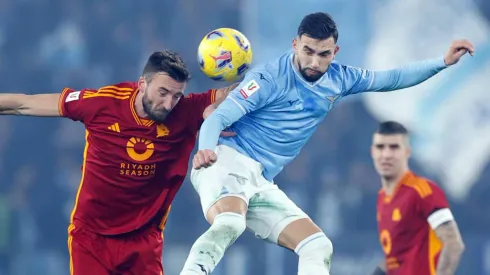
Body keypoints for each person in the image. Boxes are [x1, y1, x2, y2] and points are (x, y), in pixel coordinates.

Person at [180, 12, 474, 275]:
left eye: (323, 54)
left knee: (317, 246)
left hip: (260, 180)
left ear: (335, 52)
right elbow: (216, 120)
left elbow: (392, 78)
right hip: (226, 160)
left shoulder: (340, 78)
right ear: (295, 44)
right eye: (308, 51)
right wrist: (206, 149)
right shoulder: (267, 79)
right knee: (230, 223)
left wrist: (443, 62)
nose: (314, 62)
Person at [0, 50, 236, 275]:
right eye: (162, 92)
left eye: (176, 95)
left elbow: (237, 92)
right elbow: (24, 104)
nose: (168, 103)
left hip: (144, 242)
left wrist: (266, 75)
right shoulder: (103, 103)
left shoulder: (186, 110)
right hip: (92, 239)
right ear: (142, 83)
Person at [370, 121, 464, 275]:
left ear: (406, 151)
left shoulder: (423, 191)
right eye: (381, 147)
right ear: (373, 152)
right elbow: (398, 256)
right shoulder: (383, 198)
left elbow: (453, 244)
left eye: (394, 147)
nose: (386, 154)